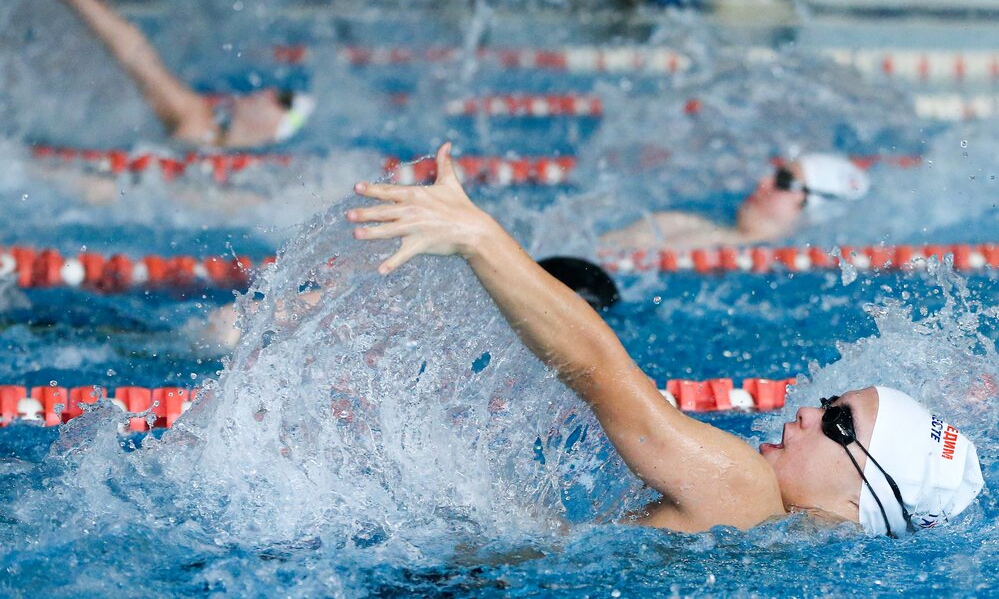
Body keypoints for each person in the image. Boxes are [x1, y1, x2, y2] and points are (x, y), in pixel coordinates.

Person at [346, 143, 983, 535]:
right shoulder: (770, 541)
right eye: (829, 402)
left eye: (838, 423)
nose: (808, 412)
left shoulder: (743, 488)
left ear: (861, 497)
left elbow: (601, 370)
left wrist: (478, 237)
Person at [23, 0, 315, 149]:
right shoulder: (197, 120)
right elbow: (137, 57)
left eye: (283, 100)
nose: (267, 92)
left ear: (277, 129)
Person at [601, 153, 871, 251]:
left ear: (813, 207)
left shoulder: (712, 248)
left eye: (784, 181)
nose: (764, 182)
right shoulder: (674, 222)